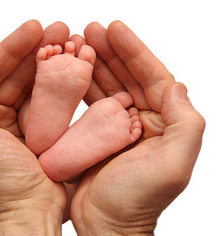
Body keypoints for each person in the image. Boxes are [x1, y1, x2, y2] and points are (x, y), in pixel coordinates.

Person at [0, 20, 205, 236]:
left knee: (32, 128)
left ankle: (41, 126)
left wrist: (18, 210)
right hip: (83, 182)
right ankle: (49, 131)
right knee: (35, 132)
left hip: (37, 170)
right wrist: (121, 231)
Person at [24, 41, 142, 181]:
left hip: (31, 184)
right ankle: (57, 161)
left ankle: (39, 138)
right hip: (74, 189)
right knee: (24, 117)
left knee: (23, 119)